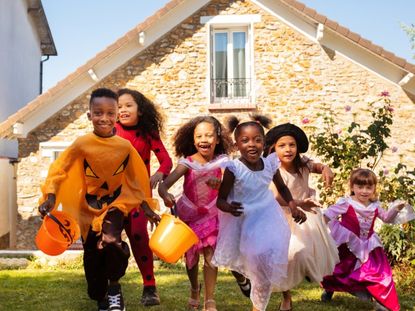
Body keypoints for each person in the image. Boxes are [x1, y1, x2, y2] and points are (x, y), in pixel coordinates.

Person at [38, 88, 160, 311]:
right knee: (93, 258)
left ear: (116, 116)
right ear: (89, 116)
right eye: (98, 113)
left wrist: (148, 208)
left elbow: (137, 180)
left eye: (110, 113)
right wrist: (51, 197)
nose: (104, 118)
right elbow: (59, 170)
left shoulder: (125, 147)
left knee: (112, 239)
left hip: (115, 204)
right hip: (88, 208)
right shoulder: (81, 144)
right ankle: (101, 296)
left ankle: (114, 287)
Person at [213, 115, 301, 311]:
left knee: (264, 265)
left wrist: (293, 205)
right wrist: (229, 208)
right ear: (236, 145)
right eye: (245, 140)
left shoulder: (269, 164)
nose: (252, 145)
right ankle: (247, 283)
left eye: (257, 140)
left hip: (268, 218)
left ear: (264, 142)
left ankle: (258, 306)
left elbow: (283, 188)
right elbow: (220, 200)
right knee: (247, 264)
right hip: (244, 219)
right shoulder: (233, 168)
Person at [158, 116, 233, 311]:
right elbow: (164, 185)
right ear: (193, 140)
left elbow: (232, 183)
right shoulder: (188, 163)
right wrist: (165, 195)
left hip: (211, 212)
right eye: (199, 136)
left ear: (217, 138)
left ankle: (210, 299)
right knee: (191, 258)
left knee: (209, 254)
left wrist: (222, 184)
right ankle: (194, 288)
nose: (204, 139)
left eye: (208, 135)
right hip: (190, 213)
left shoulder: (222, 162)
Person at [264, 123, 339, 311]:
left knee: (303, 254)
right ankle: (286, 296)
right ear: (273, 148)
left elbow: (317, 166)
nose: (288, 149)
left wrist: (326, 168)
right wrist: (297, 203)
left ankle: (306, 275)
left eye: (292, 145)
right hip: (281, 217)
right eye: (282, 145)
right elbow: (277, 196)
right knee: (286, 256)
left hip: (305, 218)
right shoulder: (273, 169)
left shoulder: (303, 163)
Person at [115, 88, 173, 306]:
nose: (123, 110)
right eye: (119, 107)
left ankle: (150, 287)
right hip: (114, 198)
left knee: (140, 237)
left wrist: (160, 174)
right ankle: (112, 286)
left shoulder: (149, 133)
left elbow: (166, 161)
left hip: (140, 198)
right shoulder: (111, 131)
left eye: (128, 105)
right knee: (111, 241)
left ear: (140, 110)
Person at [321, 168, 408, 311]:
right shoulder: (346, 203)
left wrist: (396, 209)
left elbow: (386, 219)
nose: (364, 191)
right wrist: (317, 227)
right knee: (339, 271)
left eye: (369, 187)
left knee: (379, 272)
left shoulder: (375, 205)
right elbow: (327, 215)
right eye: (360, 187)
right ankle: (330, 288)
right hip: (348, 245)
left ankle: (383, 302)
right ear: (352, 187)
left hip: (369, 245)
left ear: (374, 188)